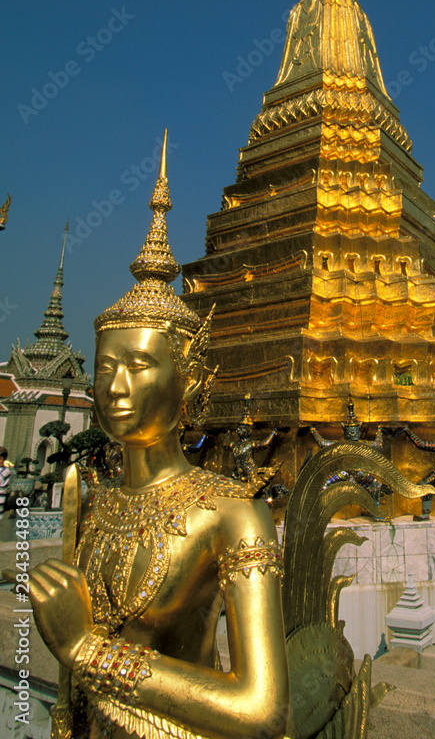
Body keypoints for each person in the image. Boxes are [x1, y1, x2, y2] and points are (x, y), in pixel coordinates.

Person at [29, 135, 289, 739]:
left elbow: (264, 711)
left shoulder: (233, 514)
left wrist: (83, 648)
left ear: (189, 380)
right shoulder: (91, 501)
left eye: (140, 365)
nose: (115, 385)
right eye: (104, 366)